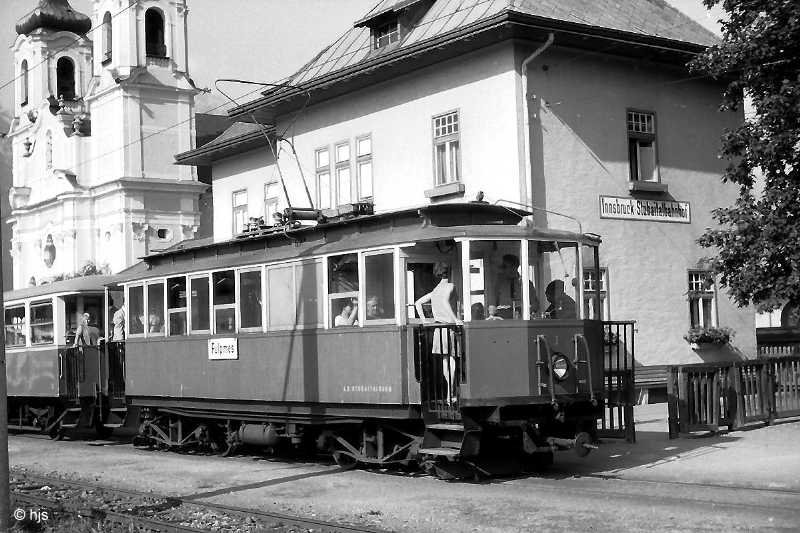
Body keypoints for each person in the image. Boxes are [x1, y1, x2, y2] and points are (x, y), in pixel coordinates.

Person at [415, 262, 461, 404]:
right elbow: (445, 301)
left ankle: (449, 393)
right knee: (452, 360)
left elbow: (418, 303)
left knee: (445, 361)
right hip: (449, 328)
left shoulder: (435, 290)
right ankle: (450, 393)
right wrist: (456, 319)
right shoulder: (450, 286)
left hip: (438, 329)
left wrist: (425, 321)